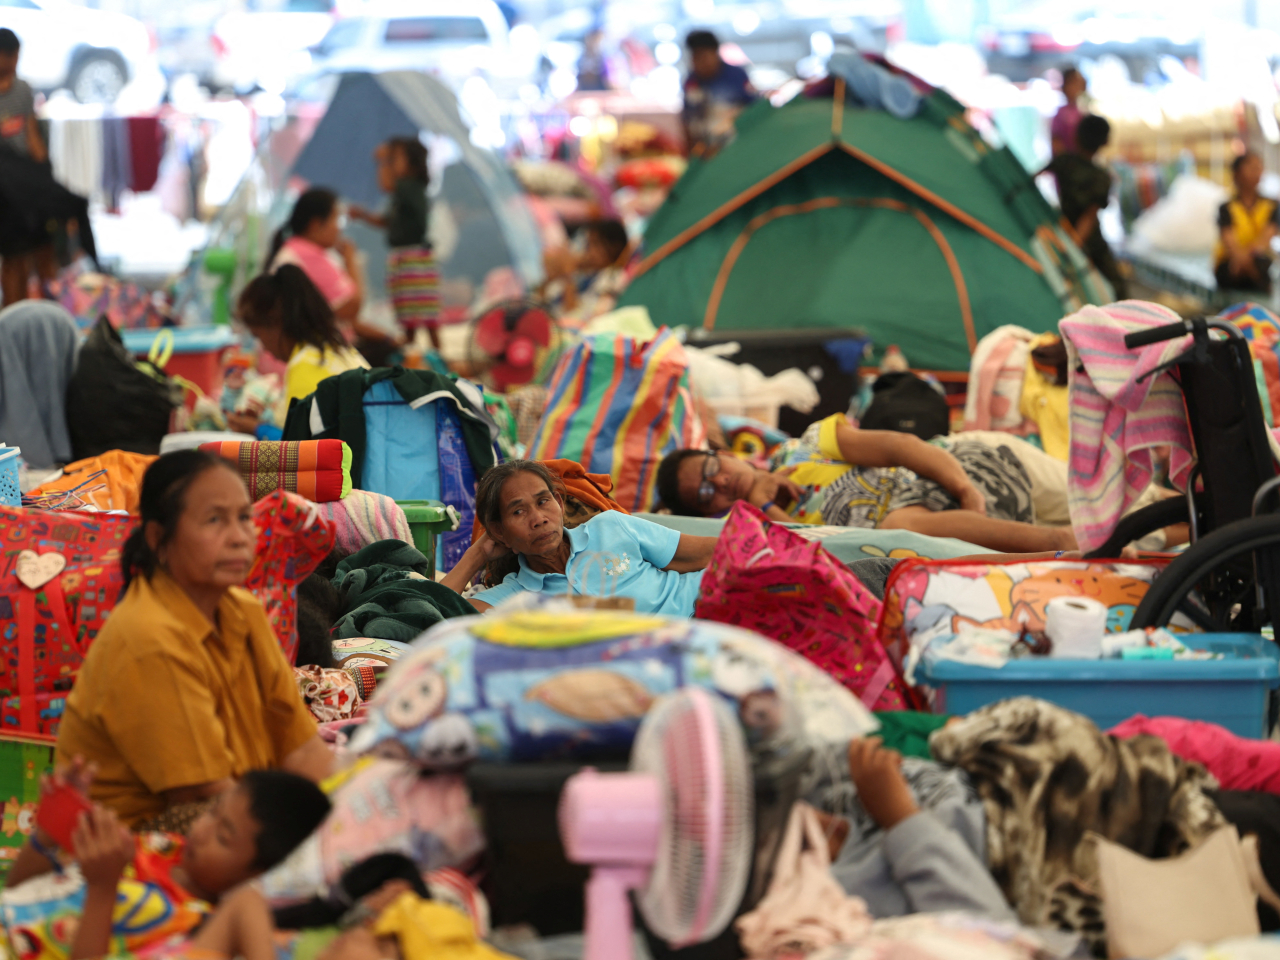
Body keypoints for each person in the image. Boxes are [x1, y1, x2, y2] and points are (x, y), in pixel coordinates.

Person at [55, 451, 334, 829]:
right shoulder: (149, 639)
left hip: (226, 815)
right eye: (214, 520)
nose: (238, 538)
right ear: (158, 538)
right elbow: (204, 801)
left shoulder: (243, 610)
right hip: (135, 849)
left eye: (244, 518)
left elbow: (301, 748)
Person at [5, 765, 331, 960]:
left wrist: (103, 889)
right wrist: (49, 833)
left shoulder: (193, 928)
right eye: (214, 813)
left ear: (259, 877)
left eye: (224, 838)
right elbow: (17, 891)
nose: (203, 832)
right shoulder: (162, 847)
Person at [657, 414, 1077, 554]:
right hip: (950, 528)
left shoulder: (805, 446)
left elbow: (900, 446)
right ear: (710, 515)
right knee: (904, 528)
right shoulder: (759, 534)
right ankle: (1062, 541)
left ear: (723, 453)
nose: (724, 482)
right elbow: (807, 556)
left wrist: (964, 487)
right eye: (707, 494)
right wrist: (767, 510)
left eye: (712, 468)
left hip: (975, 467)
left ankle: (1063, 539)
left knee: (1128, 503)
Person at [441, 460, 718, 615]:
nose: (538, 518)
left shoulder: (611, 527)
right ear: (499, 531)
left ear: (559, 504)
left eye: (543, 501)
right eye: (518, 511)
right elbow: (434, 620)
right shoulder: (513, 596)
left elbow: (711, 553)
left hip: (712, 603)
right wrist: (475, 556)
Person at [234, 263, 369, 428]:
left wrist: (257, 428)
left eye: (258, 336)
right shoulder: (338, 349)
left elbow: (299, 449)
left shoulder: (306, 365)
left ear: (275, 322)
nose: (265, 349)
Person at [268, 188, 399, 357]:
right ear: (316, 224)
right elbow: (352, 307)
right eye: (336, 220)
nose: (339, 229)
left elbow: (337, 315)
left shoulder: (295, 249)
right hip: (310, 355)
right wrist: (350, 259)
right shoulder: (307, 254)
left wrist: (388, 338)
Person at [349, 137, 440, 350]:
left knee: (423, 312)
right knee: (411, 311)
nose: (391, 163)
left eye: (395, 158)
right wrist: (363, 215)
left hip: (413, 258)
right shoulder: (406, 191)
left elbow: (385, 184)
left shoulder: (408, 186)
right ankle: (414, 349)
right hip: (406, 258)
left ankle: (433, 352)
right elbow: (387, 221)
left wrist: (383, 160)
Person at [0, 28, 54, 306]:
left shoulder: (22, 89)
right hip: (4, 186)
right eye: (8, 56)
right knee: (12, 259)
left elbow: (31, 135)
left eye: (16, 56)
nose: (12, 63)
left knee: (38, 251)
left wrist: (46, 175)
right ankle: (10, 319)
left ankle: (44, 310)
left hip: (23, 181)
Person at [1046, 113, 1127, 299]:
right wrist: (1074, 247)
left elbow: (1032, 181)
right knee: (1116, 289)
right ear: (1106, 141)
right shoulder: (1101, 177)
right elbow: (1089, 218)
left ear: (1076, 136)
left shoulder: (1064, 161)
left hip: (1061, 230)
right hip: (1090, 242)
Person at [538, 218, 630, 326]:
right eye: (588, 244)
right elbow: (542, 297)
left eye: (595, 244)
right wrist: (554, 274)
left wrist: (568, 275)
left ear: (613, 249)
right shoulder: (585, 272)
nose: (589, 251)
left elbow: (574, 317)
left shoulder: (613, 277)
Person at [682, 30, 756, 157]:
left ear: (715, 53)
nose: (699, 62)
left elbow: (754, 110)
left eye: (703, 56)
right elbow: (687, 121)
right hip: (706, 151)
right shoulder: (691, 82)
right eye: (695, 57)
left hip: (737, 146)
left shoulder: (737, 76)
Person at [1215, 151, 1278, 294]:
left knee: (1260, 264)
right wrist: (1240, 261)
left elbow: (1266, 237)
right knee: (1230, 271)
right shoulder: (1227, 207)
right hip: (1232, 263)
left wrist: (1244, 262)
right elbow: (1228, 240)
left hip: (1253, 262)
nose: (1257, 172)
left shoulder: (1271, 205)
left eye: (1259, 167)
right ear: (1237, 173)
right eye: (1252, 167)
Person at [1050, 67, 1087, 157]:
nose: (1075, 87)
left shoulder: (1083, 111)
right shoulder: (1061, 113)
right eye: (1072, 83)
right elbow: (1055, 140)